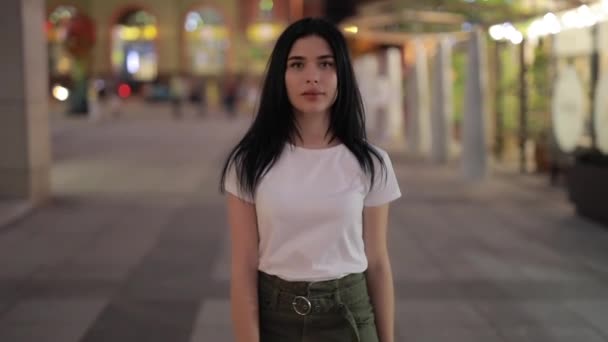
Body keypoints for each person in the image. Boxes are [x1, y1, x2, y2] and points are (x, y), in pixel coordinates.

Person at [219, 17, 401, 342]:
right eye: (298, 64)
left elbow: (377, 263)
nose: (312, 77)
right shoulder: (249, 162)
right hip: (275, 316)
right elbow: (244, 267)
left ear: (341, 74)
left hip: (349, 316)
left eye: (325, 64)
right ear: (281, 76)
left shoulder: (371, 163)